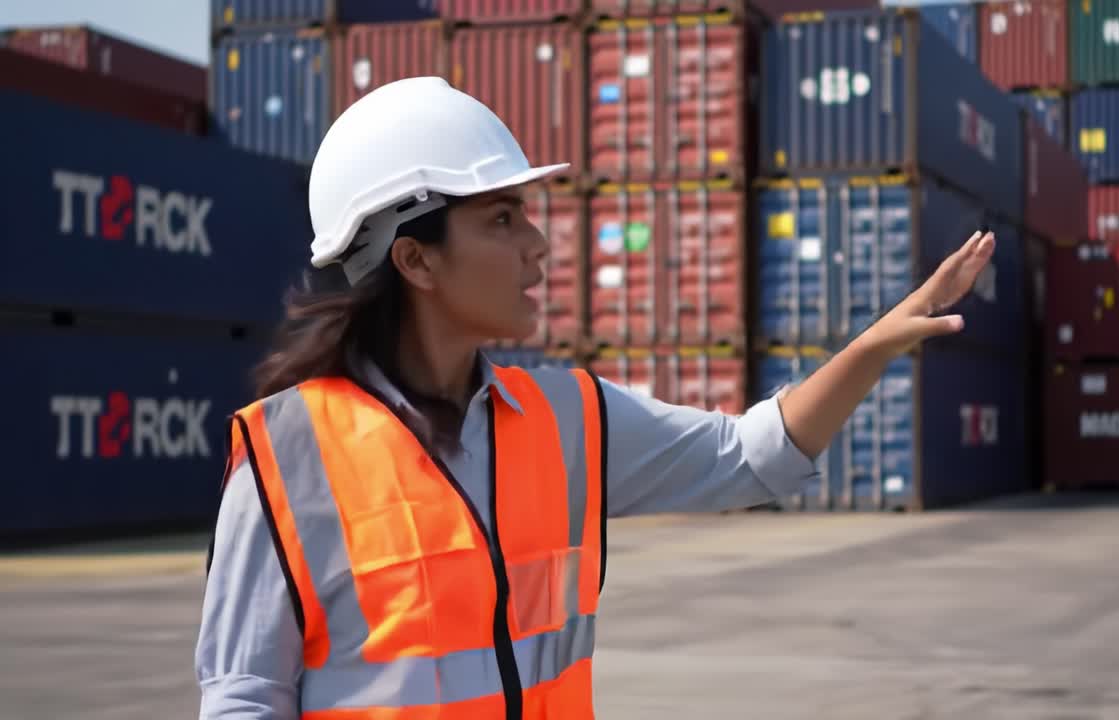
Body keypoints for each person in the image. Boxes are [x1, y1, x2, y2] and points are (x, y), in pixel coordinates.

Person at [195, 76, 996, 719]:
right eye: (502, 219)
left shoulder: (568, 420)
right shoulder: (286, 456)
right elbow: (244, 695)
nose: (538, 245)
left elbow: (753, 458)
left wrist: (871, 345)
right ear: (416, 260)